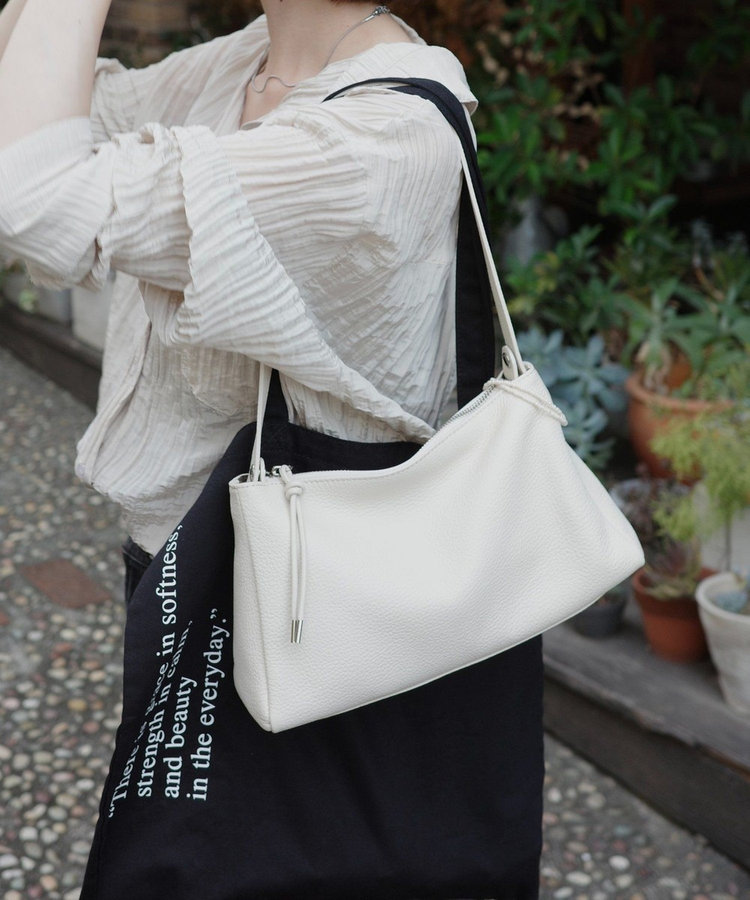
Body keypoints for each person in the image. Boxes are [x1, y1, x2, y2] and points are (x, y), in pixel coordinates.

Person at [0, 1, 545, 896]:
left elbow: (33, 197)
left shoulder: (380, 139)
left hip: (279, 601)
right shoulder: (246, 62)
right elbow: (34, 114)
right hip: (188, 581)